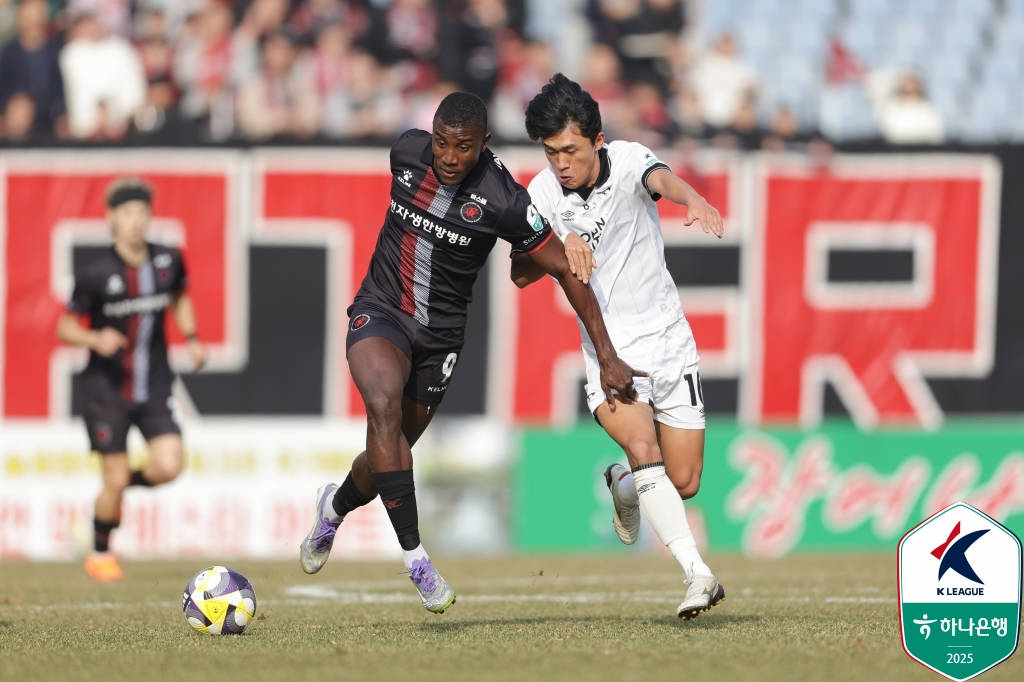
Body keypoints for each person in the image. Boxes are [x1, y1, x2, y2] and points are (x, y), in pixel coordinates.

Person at [298, 92, 642, 614]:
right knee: (383, 410)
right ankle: (417, 560)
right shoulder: (406, 154)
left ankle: (335, 505)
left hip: (440, 340)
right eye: (441, 143)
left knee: (388, 452)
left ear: (484, 144)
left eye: (462, 147)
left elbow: (565, 271)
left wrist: (608, 354)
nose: (449, 156)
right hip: (381, 311)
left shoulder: (505, 200)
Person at [513, 74, 725, 620]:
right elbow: (518, 272)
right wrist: (559, 246)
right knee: (645, 449)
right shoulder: (540, 194)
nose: (560, 163)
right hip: (609, 353)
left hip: (670, 338)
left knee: (684, 482)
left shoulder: (628, 160)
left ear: (597, 141)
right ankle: (697, 574)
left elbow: (663, 179)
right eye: (550, 151)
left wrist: (695, 199)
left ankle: (624, 486)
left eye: (570, 150)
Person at [56, 179, 208, 582]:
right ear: (111, 219)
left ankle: (117, 489)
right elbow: (65, 326)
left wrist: (191, 338)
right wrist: (94, 337)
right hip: (105, 390)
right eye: (126, 214)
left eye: (141, 212)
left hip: (154, 386)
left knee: (170, 465)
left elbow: (180, 296)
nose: (135, 221)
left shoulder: (168, 259)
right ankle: (100, 552)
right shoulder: (96, 272)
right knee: (115, 474)